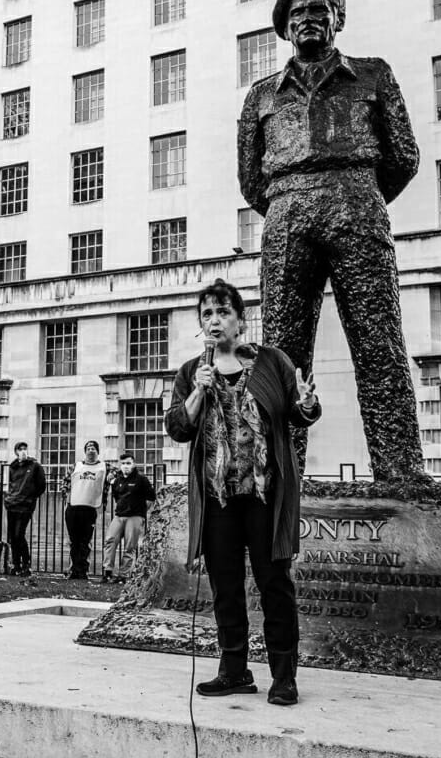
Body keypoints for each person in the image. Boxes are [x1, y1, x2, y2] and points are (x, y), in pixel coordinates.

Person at [237, 0, 421, 481]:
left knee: (378, 342)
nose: (309, 21)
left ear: (337, 19)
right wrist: (290, 202)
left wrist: (355, 194)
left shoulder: (373, 75)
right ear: (285, 26)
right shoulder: (261, 96)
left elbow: (403, 157)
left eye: (319, 12)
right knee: (281, 355)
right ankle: (279, 471)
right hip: (286, 214)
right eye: (298, 14)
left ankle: (401, 470)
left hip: (357, 206)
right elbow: (250, 180)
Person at [165, 279, 321, 706]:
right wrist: (200, 388)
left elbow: (300, 411)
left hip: (264, 496)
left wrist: (306, 403)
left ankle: (283, 676)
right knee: (226, 587)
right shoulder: (190, 372)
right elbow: (179, 427)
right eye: (207, 315)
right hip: (218, 499)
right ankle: (234, 670)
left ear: (240, 319)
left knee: (274, 585)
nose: (215, 321)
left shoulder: (271, 362)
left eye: (223, 313)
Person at [101, 452, 155, 584]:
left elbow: (150, 498)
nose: (125, 466)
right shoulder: (118, 480)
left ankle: (123, 575)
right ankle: (108, 572)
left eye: (128, 463)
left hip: (135, 517)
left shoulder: (142, 479)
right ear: (120, 465)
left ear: (134, 464)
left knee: (129, 546)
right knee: (110, 540)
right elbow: (117, 497)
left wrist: (140, 512)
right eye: (123, 463)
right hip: (119, 516)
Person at [61, 440, 107, 581]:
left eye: (94, 448)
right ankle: (75, 570)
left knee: (85, 541)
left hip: (90, 508)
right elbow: (65, 482)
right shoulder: (76, 466)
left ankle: (83, 570)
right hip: (73, 507)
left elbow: (117, 477)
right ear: (85, 451)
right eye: (88, 448)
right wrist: (66, 496)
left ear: (97, 451)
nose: (91, 450)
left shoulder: (105, 467)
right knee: (74, 541)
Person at [4, 441, 46, 577]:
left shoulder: (35, 466)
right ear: (16, 451)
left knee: (19, 534)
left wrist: (30, 497)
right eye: (20, 449)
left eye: (25, 449)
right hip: (13, 504)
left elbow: (41, 486)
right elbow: (10, 484)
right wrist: (9, 498)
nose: (23, 451)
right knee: (13, 537)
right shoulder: (13, 467)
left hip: (25, 505)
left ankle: (26, 564)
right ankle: (16, 565)